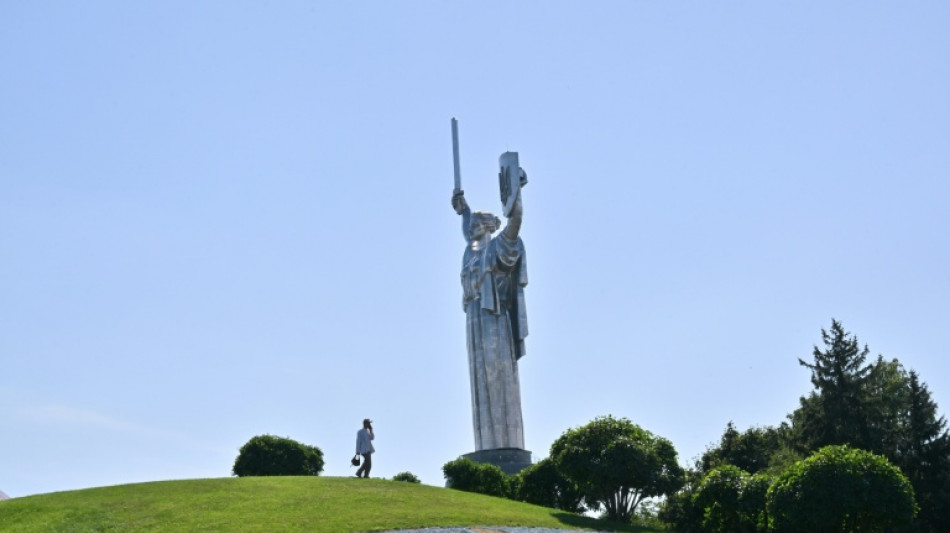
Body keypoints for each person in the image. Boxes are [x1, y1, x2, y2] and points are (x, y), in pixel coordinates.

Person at [451, 188, 528, 451]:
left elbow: (515, 222)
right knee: (479, 379)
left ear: (486, 228)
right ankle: (485, 447)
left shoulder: (497, 248)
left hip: (493, 317)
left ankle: (506, 446)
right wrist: (464, 210)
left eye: (475, 224)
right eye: (471, 225)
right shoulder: (470, 253)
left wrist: (515, 193)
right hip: (473, 317)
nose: (470, 228)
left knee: (497, 376)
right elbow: (466, 228)